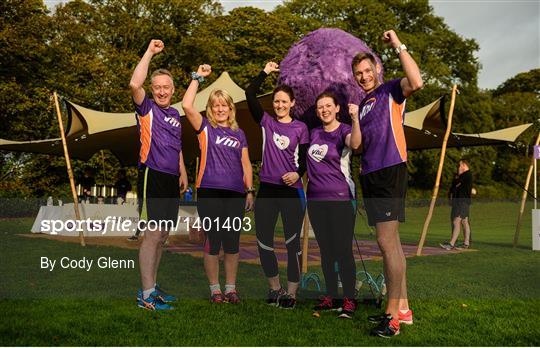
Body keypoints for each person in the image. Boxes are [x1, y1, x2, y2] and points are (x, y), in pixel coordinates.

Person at [351, 30, 423, 337]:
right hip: (370, 173)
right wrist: (353, 119)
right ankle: (403, 310)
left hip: (391, 170)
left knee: (387, 243)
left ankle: (391, 318)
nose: (365, 76)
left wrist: (398, 45)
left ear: (377, 69)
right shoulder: (363, 102)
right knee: (389, 245)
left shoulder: (392, 90)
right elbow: (357, 145)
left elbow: (417, 82)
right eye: (359, 74)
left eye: (368, 71)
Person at [182, 64, 254, 304]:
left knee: (232, 242)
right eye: (216, 105)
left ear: (230, 108)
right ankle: (215, 290)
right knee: (213, 241)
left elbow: (246, 165)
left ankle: (231, 288)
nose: (221, 109)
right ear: (211, 109)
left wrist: (249, 190)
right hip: (210, 193)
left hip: (235, 194)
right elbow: (187, 106)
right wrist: (197, 78)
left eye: (224, 105)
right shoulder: (205, 128)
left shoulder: (239, 133)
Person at [129, 39, 188, 310]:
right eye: (158, 88)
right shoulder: (147, 109)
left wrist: (182, 171)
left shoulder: (175, 114)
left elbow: (177, 147)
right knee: (152, 235)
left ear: (173, 89)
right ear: (152, 90)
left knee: (163, 235)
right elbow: (134, 84)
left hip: (170, 178)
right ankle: (146, 295)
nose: (162, 92)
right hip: (151, 175)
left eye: (166, 87)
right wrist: (150, 52)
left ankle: (153, 287)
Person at [245, 62, 309, 308]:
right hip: (268, 190)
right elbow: (250, 94)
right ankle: (275, 288)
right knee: (264, 242)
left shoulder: (301, 128)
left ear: (292, 103)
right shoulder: (266, 123)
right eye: (276, 102)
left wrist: (297, 174)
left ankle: (291, 293)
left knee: (292, 243)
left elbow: (304, 160)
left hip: (292, 191)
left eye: (284, 101)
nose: (280, 105)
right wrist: (264, 72)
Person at [307, 92, 361, 319]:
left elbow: (356, 145)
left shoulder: (345, 130)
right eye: (320, 107)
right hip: (315, 201)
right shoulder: (314, 132)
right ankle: (331, 295)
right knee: (326, 251)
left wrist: (356, 119)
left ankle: (349, 298)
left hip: (340, 199)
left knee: (343, 251)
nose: (324, 110)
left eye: (328, 105)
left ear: (337, 108)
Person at [440, 159, 472, 250]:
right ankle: (466, 243)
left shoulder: (467, 175)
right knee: (464, 221)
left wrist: (457, 178)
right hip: (460, 202)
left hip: (463, 202)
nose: (458, 167)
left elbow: (456, 183)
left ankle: (451, 244)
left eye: (460, 165)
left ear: (464, 165)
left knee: (456, 221)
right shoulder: (463, 176)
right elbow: (453, 186)